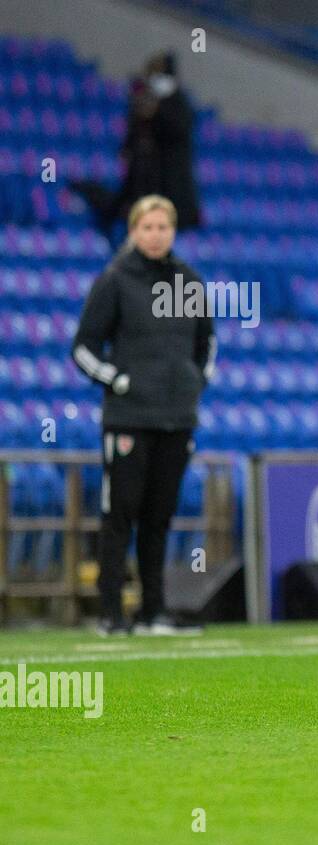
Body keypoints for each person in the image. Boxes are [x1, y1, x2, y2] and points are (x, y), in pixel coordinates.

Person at [72, 195, 215, 637]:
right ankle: (111, 614)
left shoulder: (189, 281)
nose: (156, 235)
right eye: (147, 227)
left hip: (176, 419)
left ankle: (154, 611)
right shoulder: (115, 280)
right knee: (120, 515)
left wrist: (194, 382)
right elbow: (83, 348)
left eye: (163, 227)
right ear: (134, 231)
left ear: (173, 231)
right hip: (129, 419)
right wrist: (118, 382)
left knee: (160, 516)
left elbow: (206, 344)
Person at [72, 51, 202, 238]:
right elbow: (131, 156)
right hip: (139, 197)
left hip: (166, 197)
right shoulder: (140, 130)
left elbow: (177, 129)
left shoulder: (177, 110)